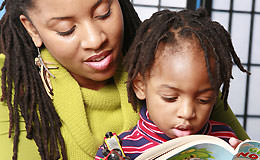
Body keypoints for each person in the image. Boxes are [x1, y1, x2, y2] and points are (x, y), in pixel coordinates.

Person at [0, 0, 248, 159]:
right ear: (32, 28)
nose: (95, 40)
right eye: (67, 29)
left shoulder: (171, 60)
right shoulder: (10, 80)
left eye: (104, 13)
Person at [95, 9, 250, 160]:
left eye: (204, 99)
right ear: (140, 86)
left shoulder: (225, 140)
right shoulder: (120, 150)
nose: (187, 113)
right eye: (170, 98)